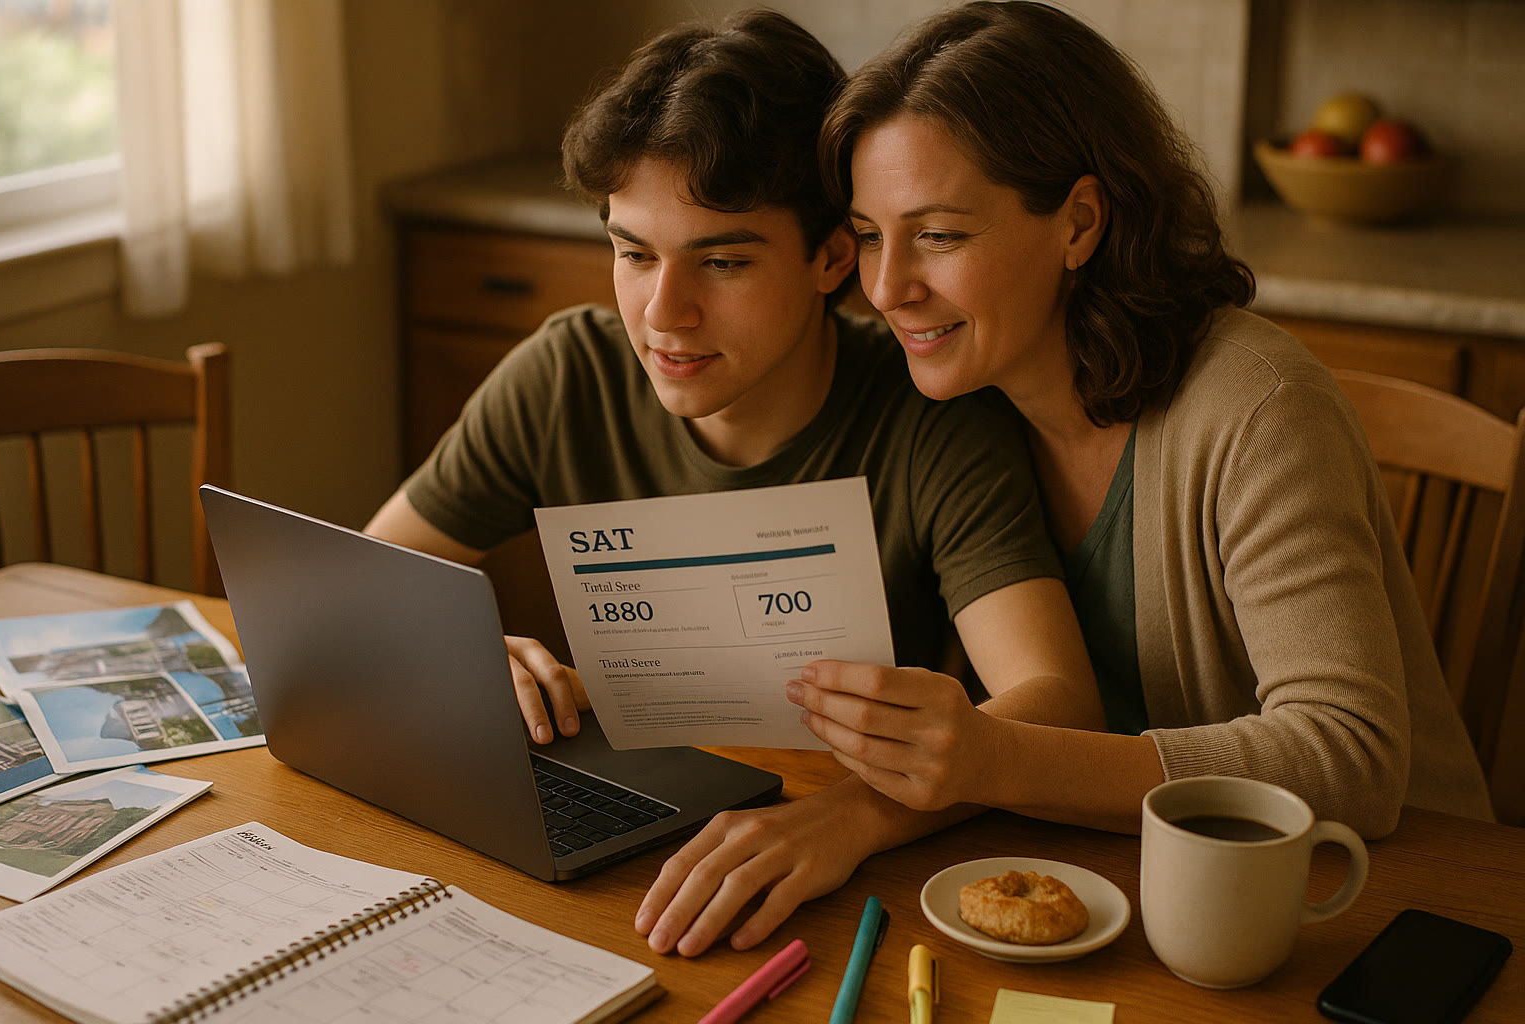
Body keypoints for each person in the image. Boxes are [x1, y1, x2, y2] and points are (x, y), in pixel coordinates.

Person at [365, 9, 1103, 956]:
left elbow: (1055, 698)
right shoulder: (565, 375)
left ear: (833, 256)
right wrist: (457, 646)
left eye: (721, 260)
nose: (663, 314)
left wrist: (856, 818)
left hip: (832, 878)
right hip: (607, 855)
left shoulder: (933, 418)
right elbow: (369, 581)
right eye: (634, 253)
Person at [780, 0, 1493, 841]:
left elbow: (1353, 759)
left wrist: (999, 758)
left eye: (938, 235)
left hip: (1392, 897)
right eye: (869, 235)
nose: (886, 287)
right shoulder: (963, 404)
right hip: (1132, 878)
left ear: (1079, 222)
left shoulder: (1258, 410)